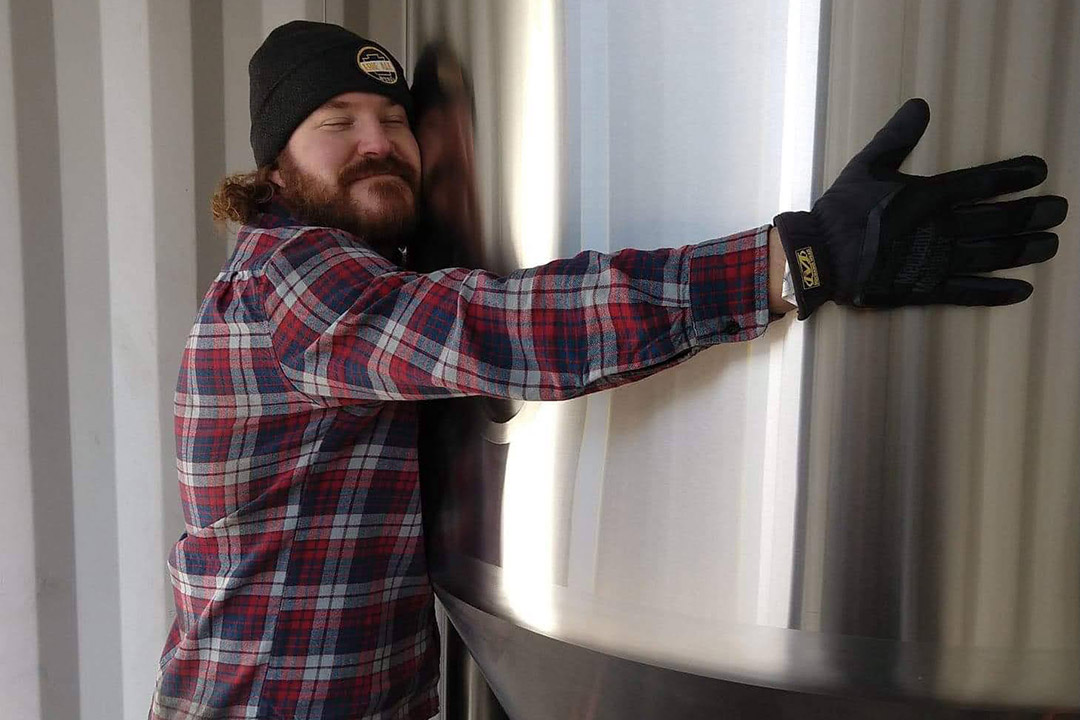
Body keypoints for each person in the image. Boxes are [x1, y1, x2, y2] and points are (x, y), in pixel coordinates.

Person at [149, 20, 1067, 720]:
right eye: (336, 122)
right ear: (275, 167)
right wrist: (800, 257)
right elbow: (504, 329)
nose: (377, 141)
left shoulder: (329, 275)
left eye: (393, 118)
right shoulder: (292, 281)